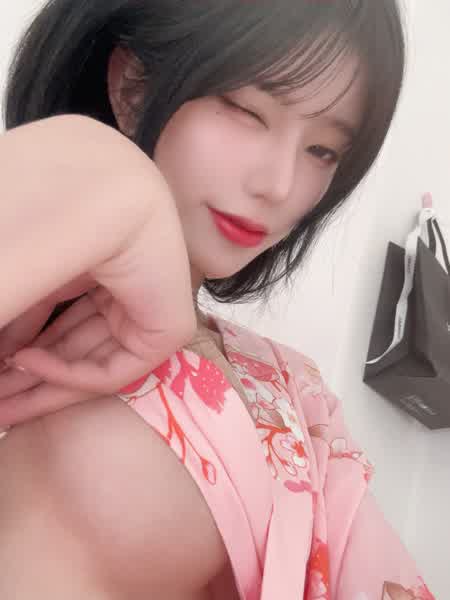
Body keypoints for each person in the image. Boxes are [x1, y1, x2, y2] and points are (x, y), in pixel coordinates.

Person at [0, 1, 436, 599]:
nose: (279, 185)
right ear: (131, 87)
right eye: (246, 111)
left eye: (322, 151)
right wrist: (106, 171)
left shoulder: (291, 382)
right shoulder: (94, 447)